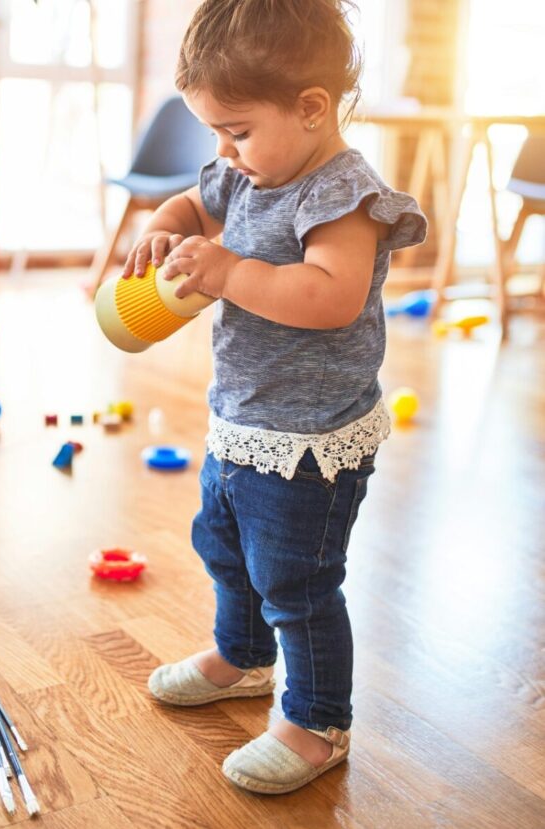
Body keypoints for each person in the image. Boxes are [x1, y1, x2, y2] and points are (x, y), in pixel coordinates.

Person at [120, 0, 427, 796]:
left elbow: (329, 295)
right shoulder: (250, 170)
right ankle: (243, 657)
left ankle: (317, 718)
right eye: (214, 132)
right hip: (246, 418)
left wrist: (228, 274)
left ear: (312, 108)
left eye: (238, 130)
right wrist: (162, 221)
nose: (223, 151)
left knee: (296, 578)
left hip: (312, 441)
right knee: (224, 546)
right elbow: (195, 202)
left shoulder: (343, 196)